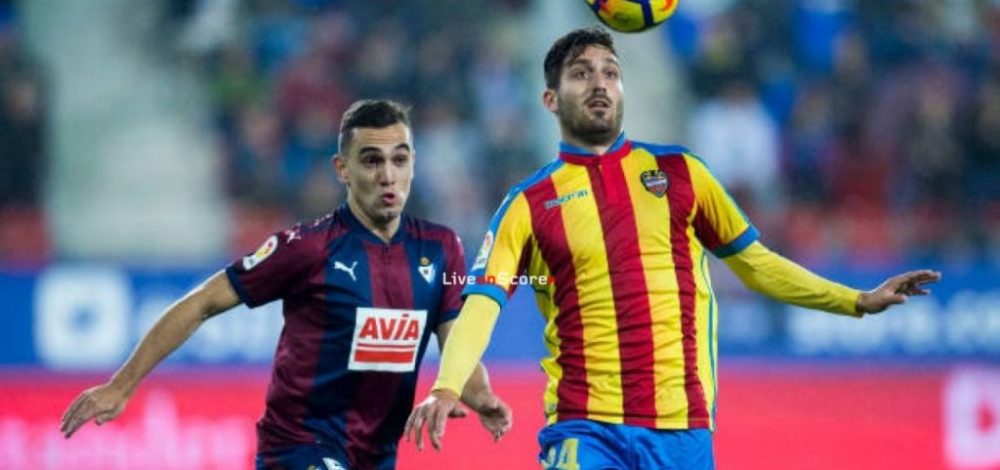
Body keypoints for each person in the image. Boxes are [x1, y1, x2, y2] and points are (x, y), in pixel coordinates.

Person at [404, 28, 940, 469]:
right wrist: (447, 386)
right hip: (584, 427)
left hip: (682, 431)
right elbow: (482, 302)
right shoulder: (529, 202)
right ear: (550, 99)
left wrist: (854, 300)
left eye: (611, 72)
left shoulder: (681, 173)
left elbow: (756, 265)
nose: (600, 83)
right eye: (582, 74)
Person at [60, 99, 512, 470]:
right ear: (342, 169)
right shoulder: (308, 247)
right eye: (371, 160)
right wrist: (121, 385)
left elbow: (457, 346)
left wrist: (480, 396)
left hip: (376, 456)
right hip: (298, 448)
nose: (388, 175)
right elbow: (202, 302)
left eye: (400, 158)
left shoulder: (441, 247)